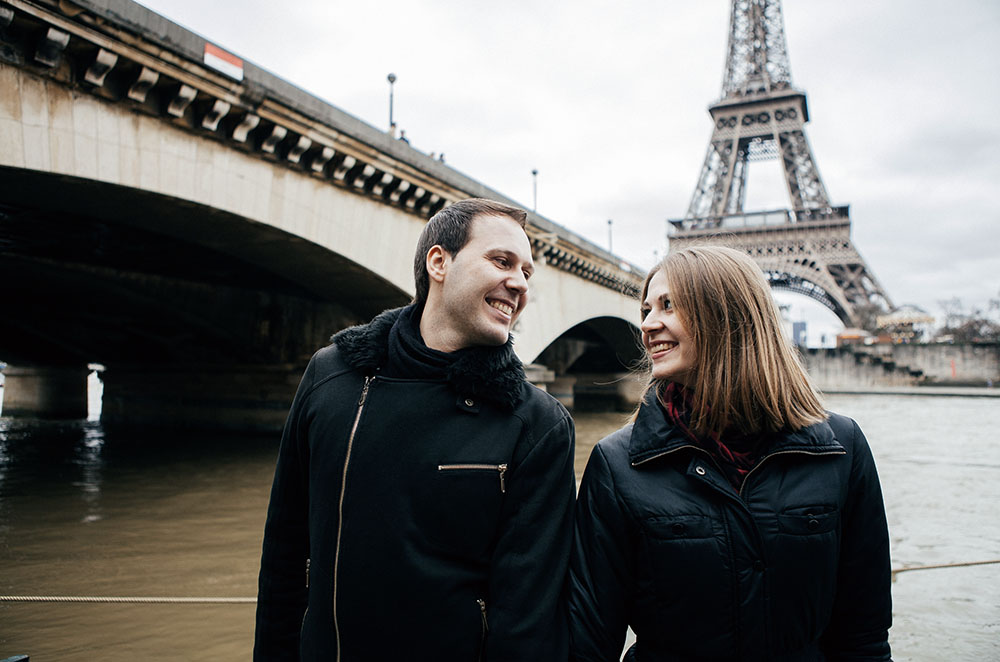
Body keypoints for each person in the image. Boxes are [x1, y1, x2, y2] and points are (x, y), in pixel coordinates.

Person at [254, 198, 576, 661]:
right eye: (502, 261)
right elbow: (284, 554)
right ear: (439, 262)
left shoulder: (538, 424)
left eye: (527, 272)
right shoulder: (331, 377)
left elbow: (528, 618)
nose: (519, 283)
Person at [568, 246, 892, 661]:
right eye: (646, 309)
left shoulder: (841, 446)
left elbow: (863, 634)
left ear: (729, 315)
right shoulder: (617, 464)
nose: (648, 324)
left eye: (668, 305)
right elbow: (591, 642)